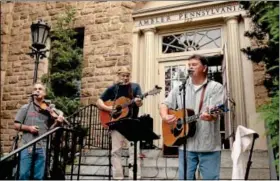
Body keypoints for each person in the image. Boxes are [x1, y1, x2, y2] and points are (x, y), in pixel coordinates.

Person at [160, 54, 225, 180]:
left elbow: (217, 111)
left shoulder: (216, 87)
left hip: (208, 145)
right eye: (189, 65)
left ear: (205, 68)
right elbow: (164, 103)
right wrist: (165, 116)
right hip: (186, 145)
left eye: (194, 65)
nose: (190, 67)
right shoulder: (180, 88)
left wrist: (211, 116)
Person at [96, 67, 143, 179]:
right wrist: (108, 109)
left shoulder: (135, 87)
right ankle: (118, 177)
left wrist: (139, 102)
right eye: (123, 75)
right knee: (116, 151)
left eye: (127, 75)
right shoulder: (114, 88)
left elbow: (139, 103)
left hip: (132, 123)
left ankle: (134, 177)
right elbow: (99, 101)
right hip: (116, 124)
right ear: (118, 75)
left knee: (134, 152)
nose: (125, 78)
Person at [14, 83, 64, 180]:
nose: (37, 90)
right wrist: (29, 128)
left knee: (39, 177)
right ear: (33, 93)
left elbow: (51, 129)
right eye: (35, 89)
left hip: (42, 146)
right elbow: (16, 125)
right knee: (23, 175)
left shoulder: (49, 109)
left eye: (40, 89)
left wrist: (58, 121)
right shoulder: (25, 108)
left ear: (44, 93)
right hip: (26, 145)